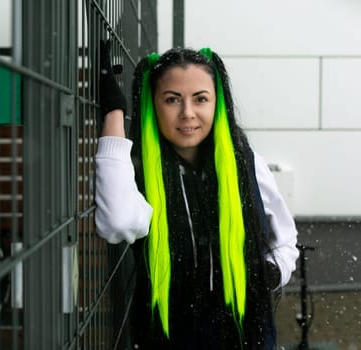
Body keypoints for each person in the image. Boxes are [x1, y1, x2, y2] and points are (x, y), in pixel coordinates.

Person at [95, 40, 299, 350]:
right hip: (168, 339)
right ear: (153, 103)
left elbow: (285, 240)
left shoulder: (245, 162)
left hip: (248, 339)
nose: (188, 113)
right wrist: (114, 113)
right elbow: (117, 223)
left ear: (217, 103)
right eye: (172, 99)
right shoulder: (138, 169)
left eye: (200, 99)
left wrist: (272, 273)